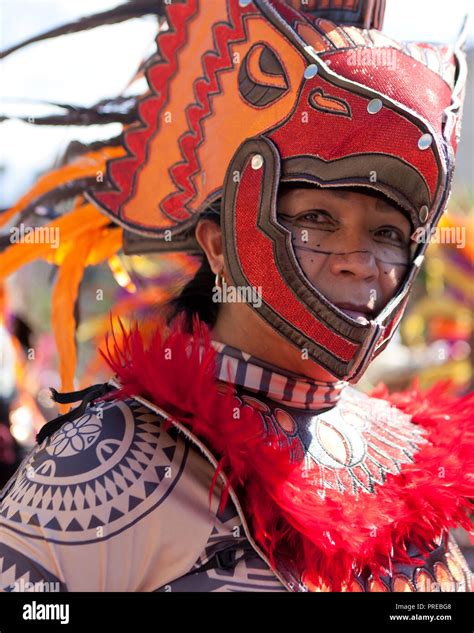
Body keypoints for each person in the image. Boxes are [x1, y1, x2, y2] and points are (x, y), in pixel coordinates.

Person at [0, 0, 472, 593]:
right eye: (318, 219)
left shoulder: (412, 456)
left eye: (387, 232)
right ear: (219, 247)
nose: (358, 261)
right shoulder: (101, 461)